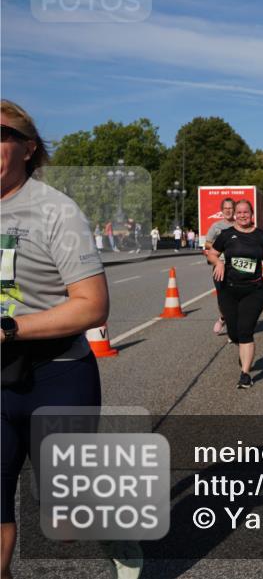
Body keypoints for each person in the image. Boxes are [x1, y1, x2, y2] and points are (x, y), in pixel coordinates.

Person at [1, 100, 142, 579]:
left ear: (27, 148)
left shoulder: (54, 210)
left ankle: (117, 536)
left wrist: (10, 328)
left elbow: (92, 305)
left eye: (0, 134)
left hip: (54, 372)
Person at [206, 199, 263, 389]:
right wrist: (218, 262)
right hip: (229, 289)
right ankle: (241, 350)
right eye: (240, 212)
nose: (243, 215)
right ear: (235, 214)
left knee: (246, 331)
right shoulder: (227, 235)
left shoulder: (262, 236)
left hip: (254, 290)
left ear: (252, 214)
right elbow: (212, 253)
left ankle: (245, 374)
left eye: (246, 212)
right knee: (234, 333)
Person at [204, 198, 236, 336]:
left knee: (235, 296)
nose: (228, 210)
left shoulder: (239, 225)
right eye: (226, 208)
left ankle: (233, 327)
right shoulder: (216, 226)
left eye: (230, 208)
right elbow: (207, 244)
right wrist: (221, 248)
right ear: (222, 211)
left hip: (236, 266)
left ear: (234, 210)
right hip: (219, 265)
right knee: (223, 298)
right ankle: (223, 318)